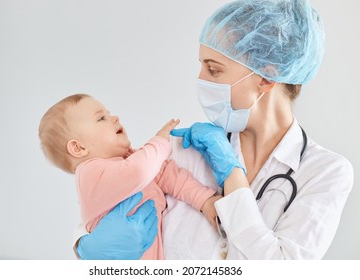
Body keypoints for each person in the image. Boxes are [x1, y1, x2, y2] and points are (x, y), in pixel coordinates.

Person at [74, 0, 353, 259]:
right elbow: (103, 204)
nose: (200, 80)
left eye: (214, 70)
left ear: (267, 77)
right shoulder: (182, 149)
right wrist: (83, 248)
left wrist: (233, 177)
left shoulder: (325, 172)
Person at [38, 93, 220, 260]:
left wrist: (203, 200)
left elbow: (167, 174)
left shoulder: (129, 162)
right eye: (101, 118)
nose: (115, 117)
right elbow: (140, 171)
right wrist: (160, 141)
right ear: (78, 148)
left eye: (108, 114)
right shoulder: (88, 174)